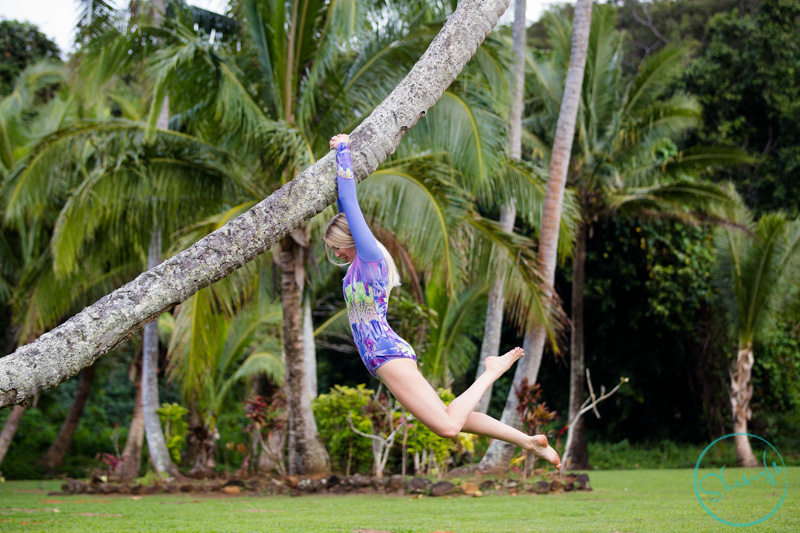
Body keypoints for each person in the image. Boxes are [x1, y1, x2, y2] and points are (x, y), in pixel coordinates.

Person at [324, 133, 561, 470]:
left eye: (337, 246)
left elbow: (349, 202)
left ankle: (491, 371)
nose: (336, 253)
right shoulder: (357, 264)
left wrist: (344, 149)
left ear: (351, 239)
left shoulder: (370, 256)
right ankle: (527, 441)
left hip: (386, 353)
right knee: (451, 417)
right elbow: (342, 208)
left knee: (447, 427)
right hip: (382, 357)